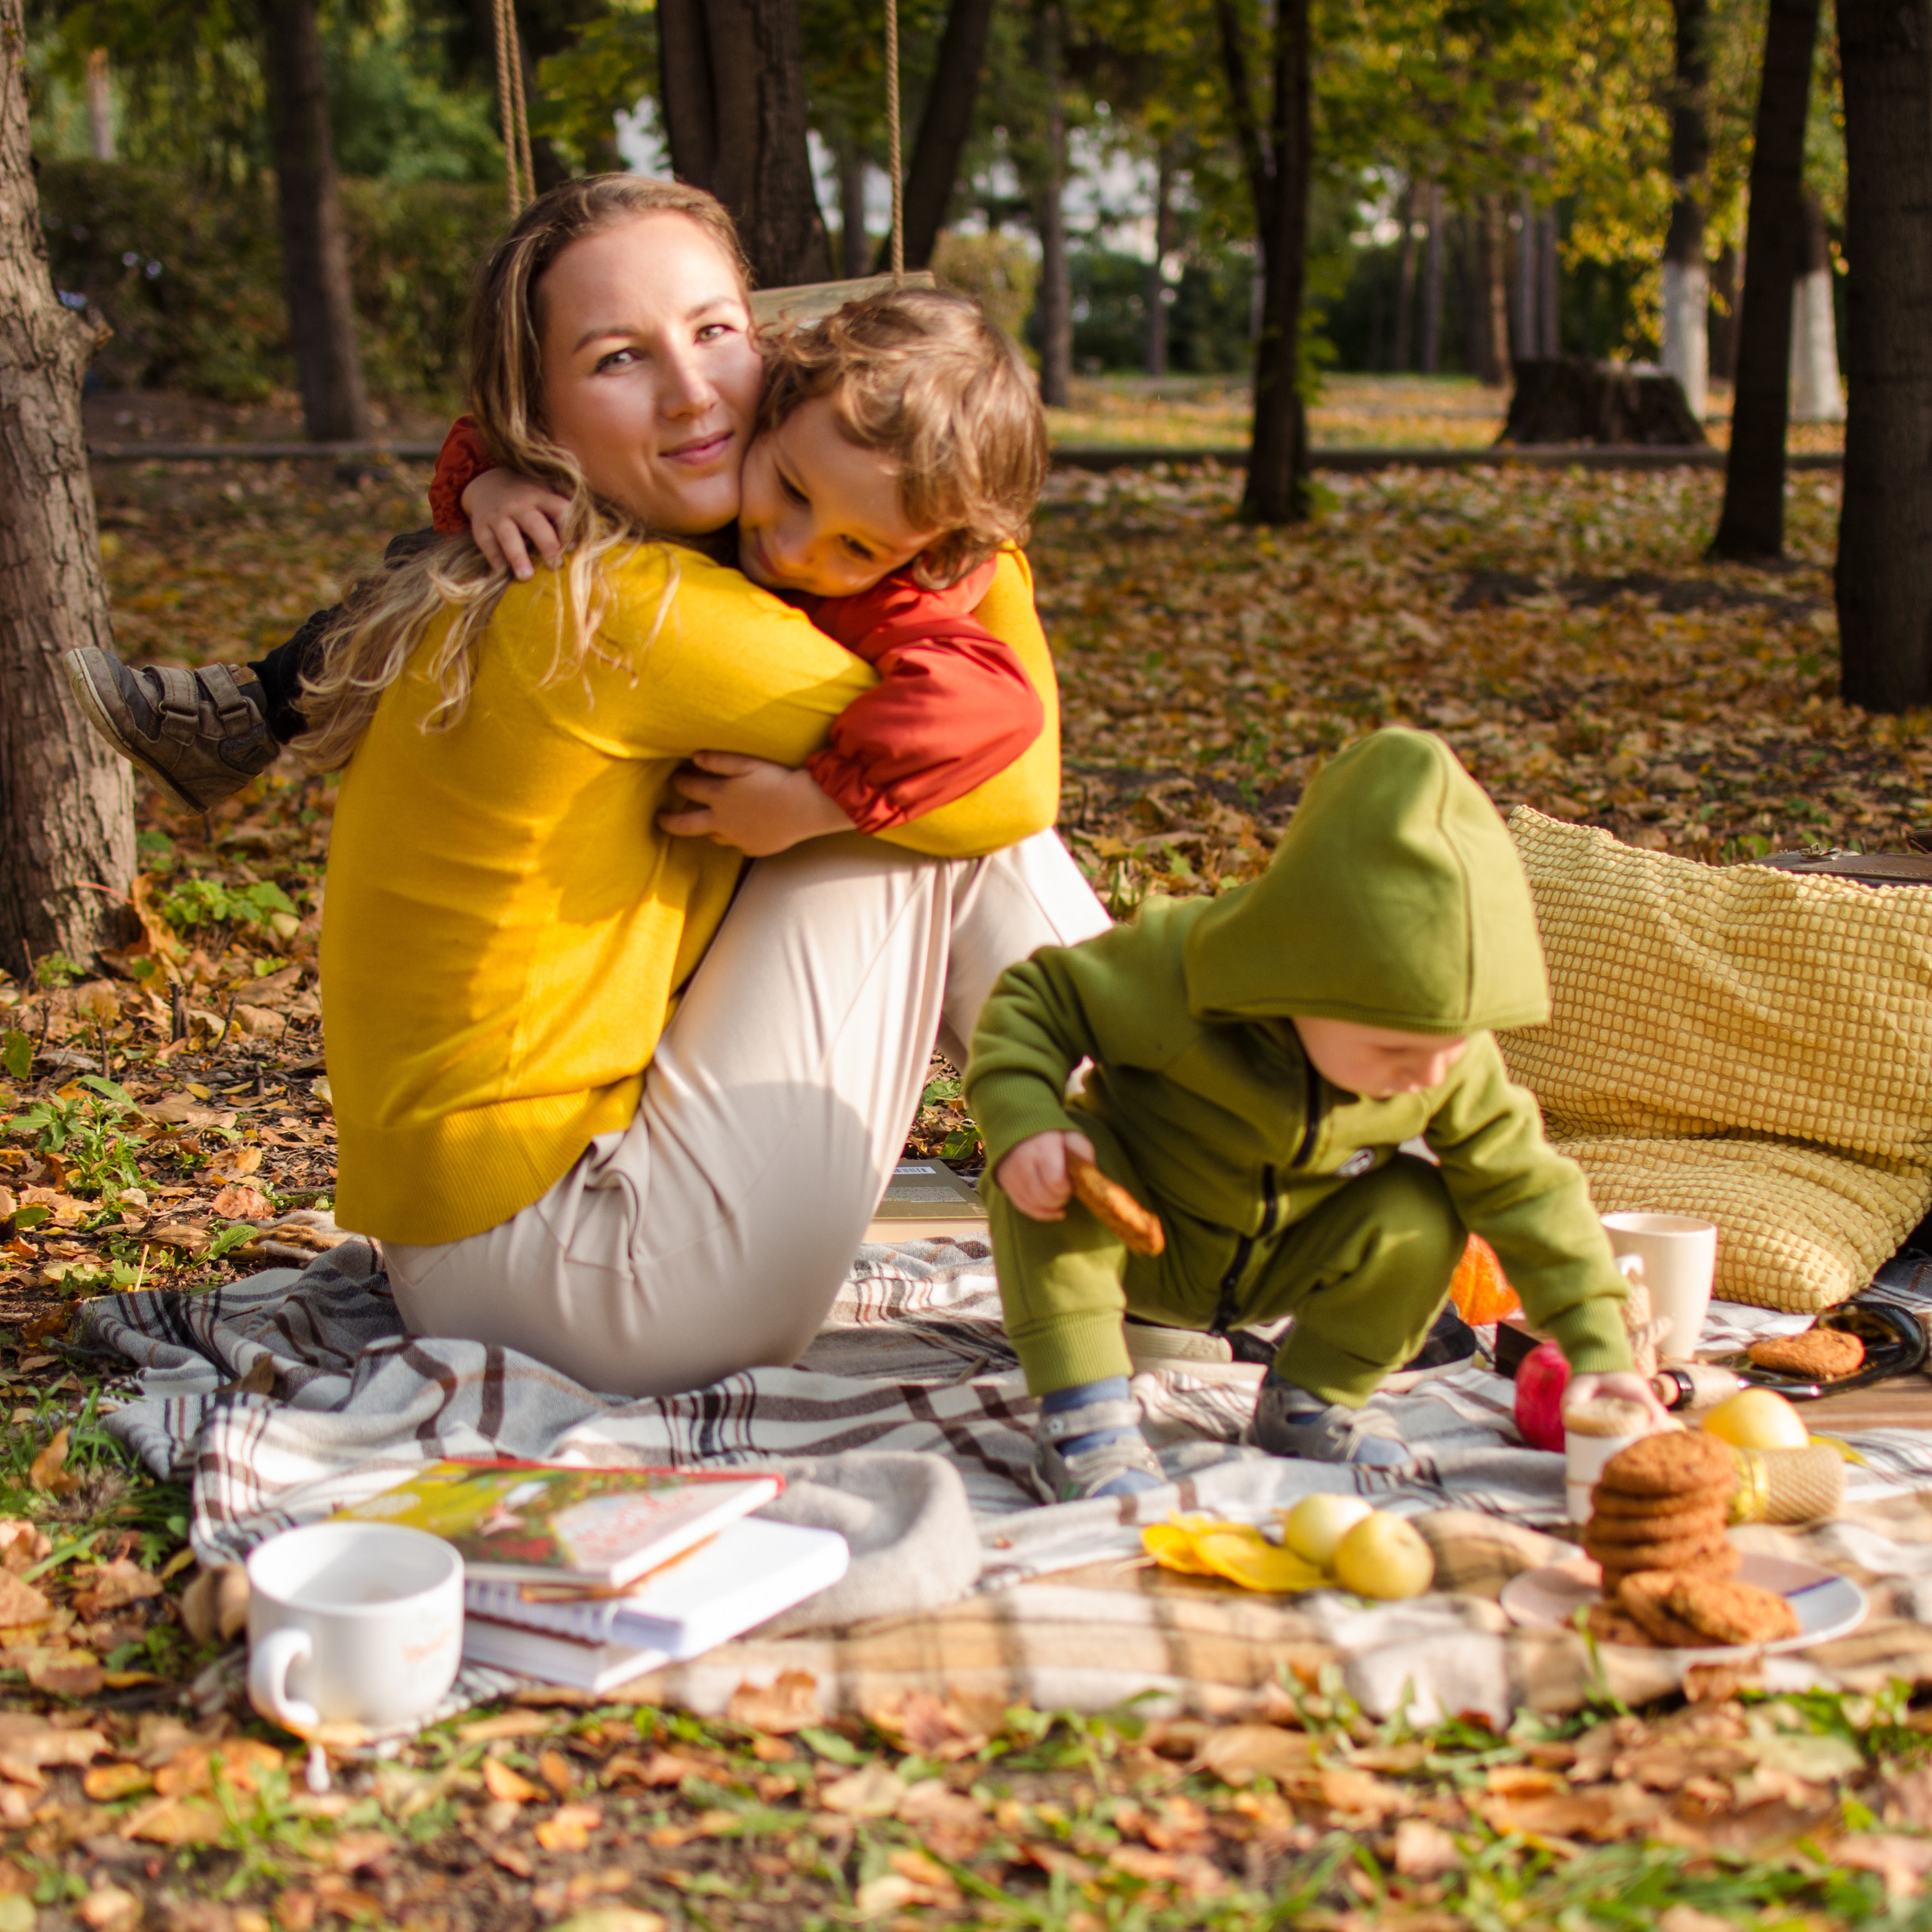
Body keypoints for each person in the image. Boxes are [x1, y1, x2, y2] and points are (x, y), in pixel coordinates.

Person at [83, 175, 1110, 1398]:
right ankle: (1197, 1197)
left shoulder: (584, 560)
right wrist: (963, 521)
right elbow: (1012, 778)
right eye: (620, 356)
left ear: (767, 344)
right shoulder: (642, 610)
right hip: (590, 1277)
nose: (691, 390)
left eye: (716, 331)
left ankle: (1169, 1188)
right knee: (920, 807)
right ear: (541, 415)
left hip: (491, 1243)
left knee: (878, 781)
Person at [63, 285, 1052, 857]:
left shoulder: (887, 596)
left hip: (690, 853)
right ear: (777, 408)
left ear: (918, 553)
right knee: (441, 563)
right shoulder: (725, 448)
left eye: (857, 547)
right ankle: (247, 711)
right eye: (790, 489)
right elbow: (529, 437)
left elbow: (996, 709)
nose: (797, 548)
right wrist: (490, 484)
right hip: (540, 736)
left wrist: (817, 805)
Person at [965, 728, 1668, 1503]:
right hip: (1144, 1243)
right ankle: (1083, 1419)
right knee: (1056, 1171)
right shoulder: (1176, 970)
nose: (1429, 1074)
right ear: (1302, 974)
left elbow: (1527, 1188)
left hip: (1286, 1259)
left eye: (1455, 1041)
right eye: (1395, 1047)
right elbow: (1034, 1002)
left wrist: (1601, 1353)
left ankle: (1308, 1400)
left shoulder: (1442, 1064)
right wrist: (1025, 1118)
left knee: (1424, 1209)